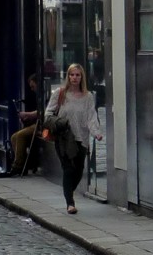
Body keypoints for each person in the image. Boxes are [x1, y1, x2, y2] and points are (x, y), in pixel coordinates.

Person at [44, 63, 102, 214]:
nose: (74, 78)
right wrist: (59, 123)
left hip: (81, 137)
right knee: (68, 169)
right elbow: (48, 113)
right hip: (64, 137)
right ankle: (70, 203)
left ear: (82, 77)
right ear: (68, 76)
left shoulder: (88, 96)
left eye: (77, 75)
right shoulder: (60, 93)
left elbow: (91, 116)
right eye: (72, 75)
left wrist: (96, 132)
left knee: (79, 170)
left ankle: (68, 190)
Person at [10, 73, 39, 175]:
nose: (32, 89)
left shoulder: (45, 95)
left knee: (21, 135)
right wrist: (27, 118)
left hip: (42, 126)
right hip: (35, 123)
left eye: (33, 86)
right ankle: (23, 163)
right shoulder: (37, 96)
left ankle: (18, 166)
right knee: (14, 137)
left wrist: (27, 114)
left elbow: (43, 112)